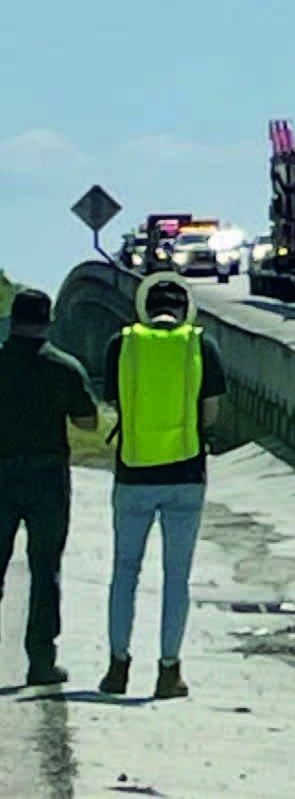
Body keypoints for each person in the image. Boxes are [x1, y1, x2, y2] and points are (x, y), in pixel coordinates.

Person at [98, 272, 226, 699]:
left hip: (133, 473)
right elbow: (210, 412)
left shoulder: (122, 344)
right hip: (185, 476)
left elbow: (115, 399)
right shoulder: (201, 345)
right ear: (186, 309)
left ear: (145, 308)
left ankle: (117, 668)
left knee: (124, 571)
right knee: (176, 576)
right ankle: (169, 671)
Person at [0, 288, 99, 686]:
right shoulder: (63, 366)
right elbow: (87, 422)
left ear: (13, 319)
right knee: (45, 570)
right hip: (47, 476)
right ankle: (41, 662)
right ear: (49, 320)